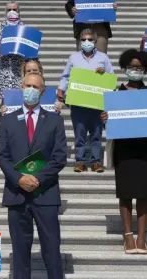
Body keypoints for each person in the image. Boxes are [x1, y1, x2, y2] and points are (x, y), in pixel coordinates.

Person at [0, 73, 67, 279]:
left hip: (45, 193)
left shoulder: (54, 121)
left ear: (43, 91)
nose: (31, 90)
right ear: (21, 87)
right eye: (28, 85)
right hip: (16, 193)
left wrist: (38, 178)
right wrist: (19, 178)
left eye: (36, 87)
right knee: (20, 252)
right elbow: (2, 156)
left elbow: (60, 156)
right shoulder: (8, 120)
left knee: (51, 249)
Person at [101, 49, 147, 254]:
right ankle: (128, 236)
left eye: (139, 67)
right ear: (124, 68)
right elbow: (110, 124)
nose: (135, 70)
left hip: (145, 150)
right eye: (131, 67)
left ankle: (142, 238)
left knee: (145, 195)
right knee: (126, 194)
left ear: (144, 70)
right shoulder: (115, 95)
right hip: (124, 150)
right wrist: (105, 119)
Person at [57, 28, 113, 173]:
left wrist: (103, 74)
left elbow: (111, 78)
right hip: (78, 103)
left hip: (96, 103)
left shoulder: (103, 58)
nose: (86, 42)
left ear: (95, 41)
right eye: (83, 39)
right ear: (80, 41)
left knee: (96, 134)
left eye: (89, 39)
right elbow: (66, 77)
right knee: (79, 134)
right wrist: (61, 89)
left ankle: (95, 161)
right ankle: (80, 161)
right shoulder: (73, 58)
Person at [0, 1, 24, 99]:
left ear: (19, 11)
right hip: (2, 66)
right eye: (9, 10)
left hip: (18, 67)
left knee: (18, 97)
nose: (12, 11)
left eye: (14, 9)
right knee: (4, 98)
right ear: (5, 11)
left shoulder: (23, 27)